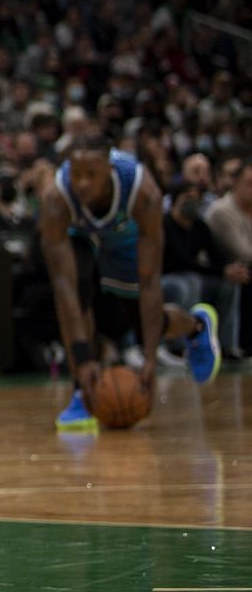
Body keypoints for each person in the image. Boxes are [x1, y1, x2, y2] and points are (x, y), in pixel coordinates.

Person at [41, 133, 220, 431]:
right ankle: (81, 392)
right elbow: (65, 289)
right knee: (81, 289)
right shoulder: (56, 199)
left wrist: (150, 357)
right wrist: (82, 361)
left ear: (109, 171)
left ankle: (196, 326)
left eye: (91, 175)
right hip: (80, 234)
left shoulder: (143, 191)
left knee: (140, 319)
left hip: (125, 235)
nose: (82, 183)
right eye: (76, 174)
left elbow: (150, 283)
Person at [163, 176, 246, 361]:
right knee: (189, 282)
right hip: (167, 279)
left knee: (228, 284)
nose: (193, 201)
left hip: (195, 277)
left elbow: (216, 257)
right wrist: (220, 271)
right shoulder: (165, 225)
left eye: (196, 197)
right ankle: (180, 347)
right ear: (175, 200)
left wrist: (230, 269)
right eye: (187, 197)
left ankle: (226, 347)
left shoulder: (200, 226)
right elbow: (181, 261)